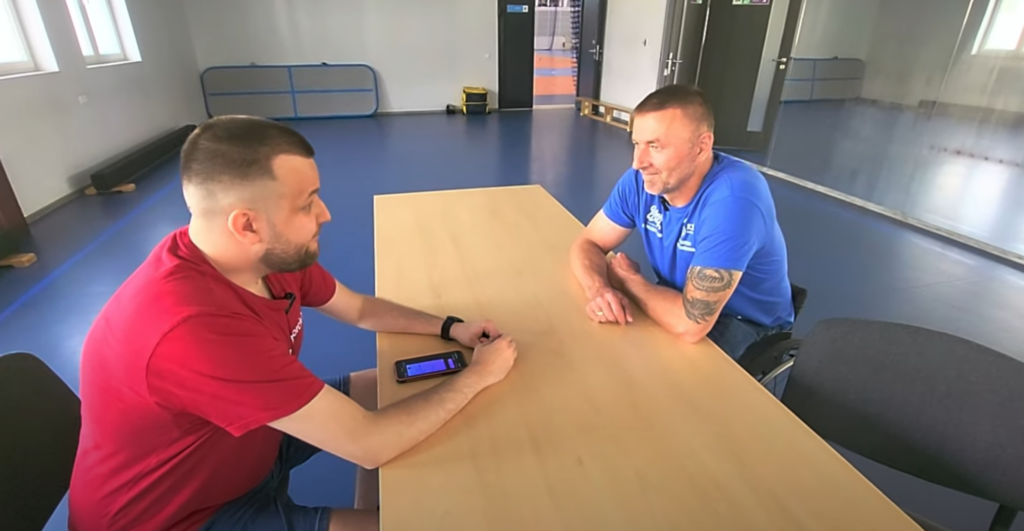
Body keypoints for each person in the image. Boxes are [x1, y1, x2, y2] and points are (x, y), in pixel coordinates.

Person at [68, 116, 518, 531]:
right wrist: (478, 376)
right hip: (178, 516)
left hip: (242, 445)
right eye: (307, 204)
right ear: (247, 225)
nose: (325, 214)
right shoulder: (190, 329)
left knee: (389, 383)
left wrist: (450, 328)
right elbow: (370, 445)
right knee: (432, 519)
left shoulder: (260, 256)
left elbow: (359, 309)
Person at [570, 84, 793, 360]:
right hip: (675, 296)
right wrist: (599, 289)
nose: (638, 162)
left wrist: (630, 282)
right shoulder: (640, 181)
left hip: (745, 321)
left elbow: (691, 323)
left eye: (655, 146)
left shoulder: (734, 199)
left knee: (653, 376)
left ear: (701, 146)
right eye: (637, 144)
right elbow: (588, 243)